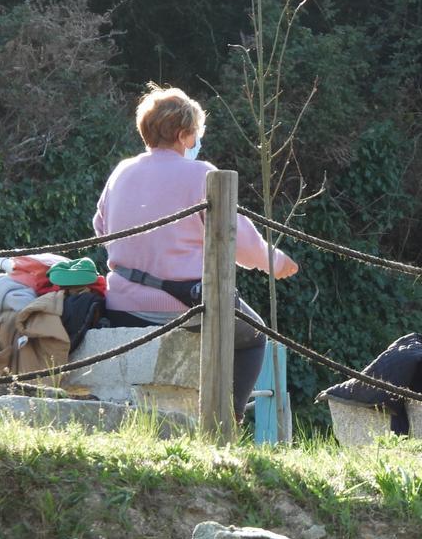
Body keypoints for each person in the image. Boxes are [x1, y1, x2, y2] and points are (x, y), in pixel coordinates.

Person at [93, 83, 299, 421]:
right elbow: (240, 241)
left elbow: (102, 228)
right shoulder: (201, 174)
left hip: (121, 304)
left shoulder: (121, 172)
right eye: (195, 133)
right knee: (254, 335)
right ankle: (226, 422)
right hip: (182, 306)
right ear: (184, 135)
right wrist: (276, 262)